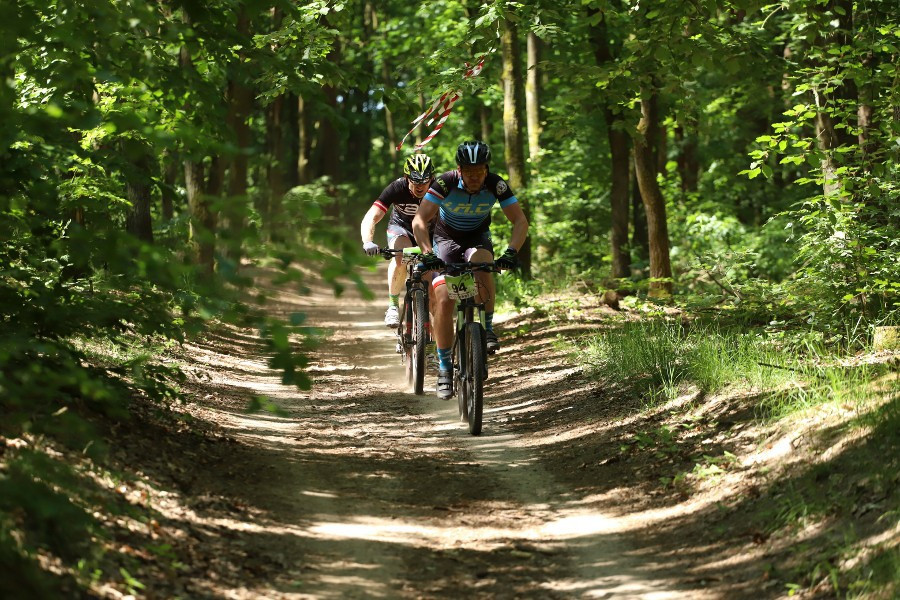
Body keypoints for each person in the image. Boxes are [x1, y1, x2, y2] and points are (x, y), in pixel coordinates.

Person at [412, 140, 529, 399]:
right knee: (443, 299)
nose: (475, 176)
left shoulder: (495, 184)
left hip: (477, 237)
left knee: (484, 264)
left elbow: (520, 221)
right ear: (459, 170)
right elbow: (420, 220)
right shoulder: (445, 183)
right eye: (469, 171)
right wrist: (427, 254)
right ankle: (444, 369)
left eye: (479, 170)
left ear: (486, 169)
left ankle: (487, 329)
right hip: (446, 240)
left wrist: (511, 252)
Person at [360, 154, 436, 327]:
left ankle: (429, 348)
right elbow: (371, 216)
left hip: (428, 233)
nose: (420, 186)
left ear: (432, 178)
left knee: (432, 291)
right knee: (402, 256)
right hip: (401, 229)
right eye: (415, 181)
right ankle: (393, 306)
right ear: (406, 177)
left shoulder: (439, 188)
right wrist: (368, 241)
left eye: (425, 181)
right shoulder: (397, 187)